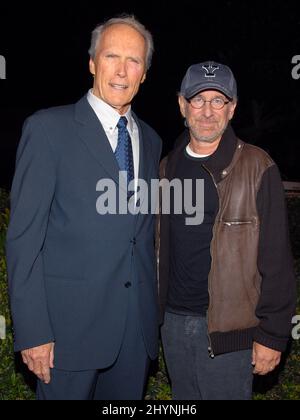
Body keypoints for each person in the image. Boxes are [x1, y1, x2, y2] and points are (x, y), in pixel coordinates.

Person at [6, 15, 162, 400]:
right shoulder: (47, 130)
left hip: (134, 334)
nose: (122, 71)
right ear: (92, 63)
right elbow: (23, 241)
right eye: (112, 56)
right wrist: (34, 331)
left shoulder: (153, 141)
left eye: (134, 60)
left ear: (144, 73)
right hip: (66, 333)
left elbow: (138, 237)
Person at [158, 61, 296, 400]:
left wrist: (273, 335)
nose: (207, 110)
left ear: (232, 108)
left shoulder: (258, 166)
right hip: (172, 325)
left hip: (230, 333)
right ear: (182, 105)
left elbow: (276, 259)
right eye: (198, 99)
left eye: (217, 100)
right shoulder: (165, 167)